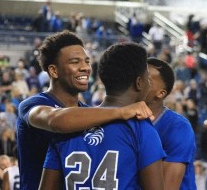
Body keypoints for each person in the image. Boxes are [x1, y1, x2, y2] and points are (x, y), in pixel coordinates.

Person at [17, 31, 154, 190]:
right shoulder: (32, 105)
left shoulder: (89, 114)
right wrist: (122, 111)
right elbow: (57, 121)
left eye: (87, 61)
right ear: (54, 71)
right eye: (75, 62)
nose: (85, 68)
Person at [145, 58, 197, 189]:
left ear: (161, 93)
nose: (139, 81)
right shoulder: (128, 120)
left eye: (147, 79)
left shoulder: (178, 127)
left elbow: (167, 187)